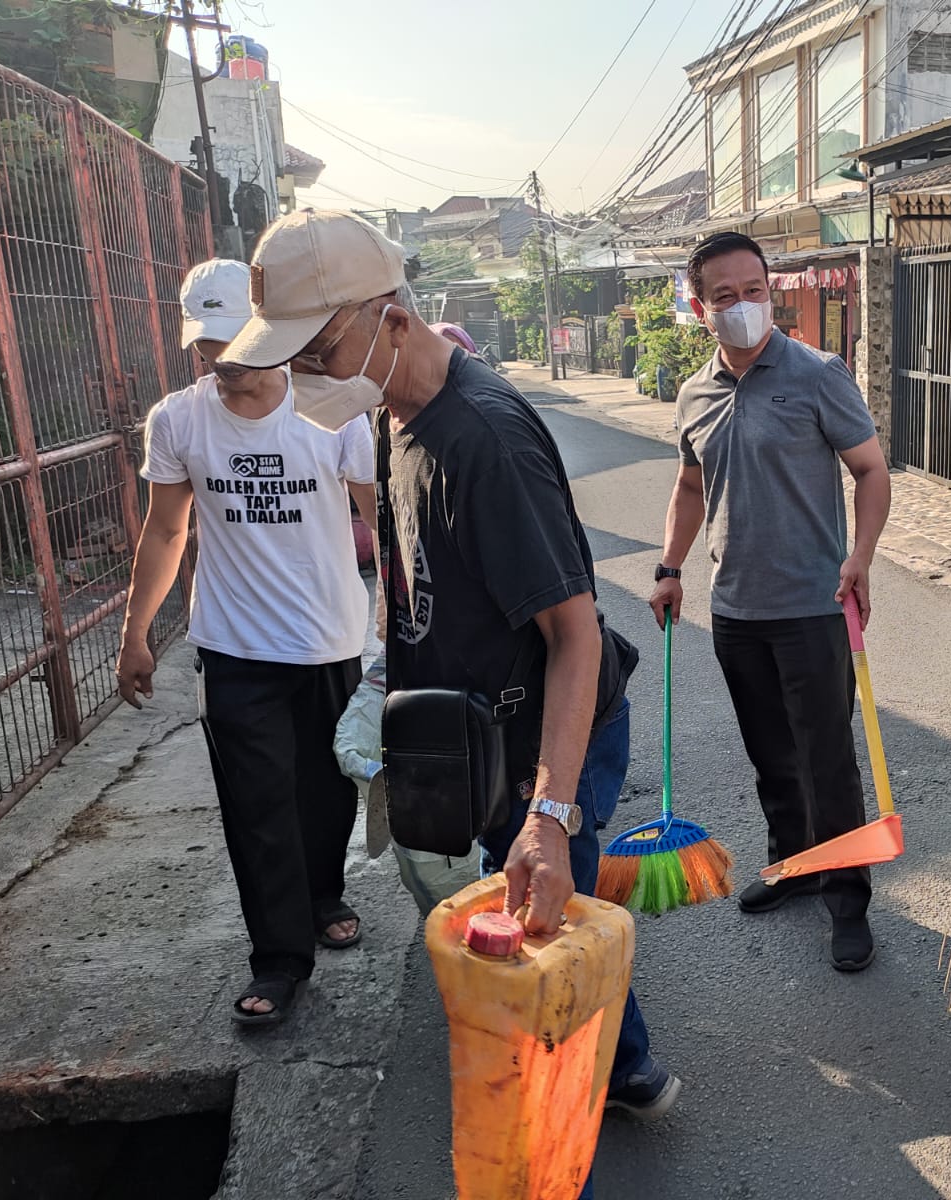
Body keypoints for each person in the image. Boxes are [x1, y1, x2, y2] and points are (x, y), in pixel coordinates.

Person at [218, 211, 678, 1145]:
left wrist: (549, 816)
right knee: (552, 918)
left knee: (544, 932)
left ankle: (568, 1121)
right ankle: (627, 1069)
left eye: (314, 349)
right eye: (286, 355)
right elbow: (414, 578)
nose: (296, 376)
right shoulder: (395, 415)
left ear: (388, 318)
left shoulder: (485, 442)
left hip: (552, 733)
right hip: (480, 734)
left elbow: (575, 637)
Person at [115, 259, 376, 1027]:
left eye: (235, 347)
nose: (221, 365)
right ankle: (280, 958)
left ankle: (324, 892)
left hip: (330, 637)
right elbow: (166, 531)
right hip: (233, 648)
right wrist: (136, 634)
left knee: (326, 793)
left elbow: (384, 519)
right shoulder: (179, 420)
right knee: (256, 805)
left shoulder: (333, 413)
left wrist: (404, 612)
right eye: (205, 350)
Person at [648, 232, 892, 972]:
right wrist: (668, 567)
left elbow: (872, 472)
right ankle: (793, 865)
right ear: (700, 308)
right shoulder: (694, 393)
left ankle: (847, 901)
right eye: (725, 296)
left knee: (826, 761)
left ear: (771, 290)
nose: (744, 306)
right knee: (770, 756)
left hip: (815, 608)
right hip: (737, 612)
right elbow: (691, 487)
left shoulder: (818, 374)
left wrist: (861, 557)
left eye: (754, 290)